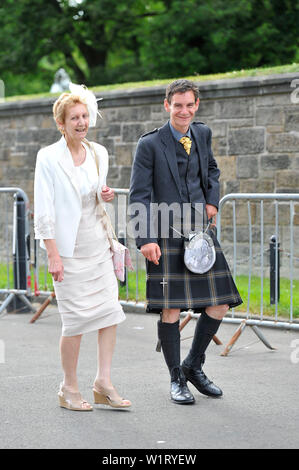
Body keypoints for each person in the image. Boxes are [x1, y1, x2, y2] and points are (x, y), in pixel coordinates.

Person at [129, 79, 242, 405]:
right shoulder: (150, 144)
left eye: (189, 105)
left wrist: (212, 200)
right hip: (165, 233)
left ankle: (193, 365)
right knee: (171, 309)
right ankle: (176, 378)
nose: (184, 111)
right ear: (167, 105)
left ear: (196, 105)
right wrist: (145, 239)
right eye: (178, 105)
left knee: (220, 302)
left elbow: (211, 168)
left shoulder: (202, 134)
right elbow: (139, 195)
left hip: (200, 232)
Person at [34, 83, 131, 411]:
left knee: (108, 315)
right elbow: (45, 210)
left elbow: (98, 193)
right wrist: (52, 254)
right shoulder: (47, 158)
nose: (81, 122)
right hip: (68, 252)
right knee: (74, 321)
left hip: (98, 245)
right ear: (61, 124)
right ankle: (69, 387)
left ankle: (103, 382)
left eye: (84, 116)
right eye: (74, 117)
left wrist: (106, 195)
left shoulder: (98, 152)